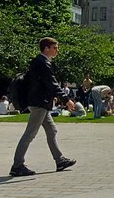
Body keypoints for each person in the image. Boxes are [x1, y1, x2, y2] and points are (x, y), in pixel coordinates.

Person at [9, 38, 76, 178]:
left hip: (41, 103)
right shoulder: (43, 63)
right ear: (46, 48)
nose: (57, 50)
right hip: (39, 103)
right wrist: (66, 99)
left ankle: (60, 160)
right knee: (30, 134)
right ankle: (17, 166)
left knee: (51, 130)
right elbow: (52, 83)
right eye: (55, 48)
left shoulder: (39, 61)